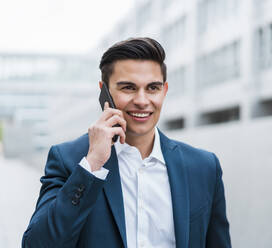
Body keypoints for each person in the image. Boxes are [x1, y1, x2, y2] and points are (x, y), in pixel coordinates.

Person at [22, 37, 231, 248]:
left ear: (164, 91)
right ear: (104, 91)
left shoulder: (204, 167)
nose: (142, 100)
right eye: (128, 88)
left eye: (152, 88)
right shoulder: (69, 159)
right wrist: (92, 165)